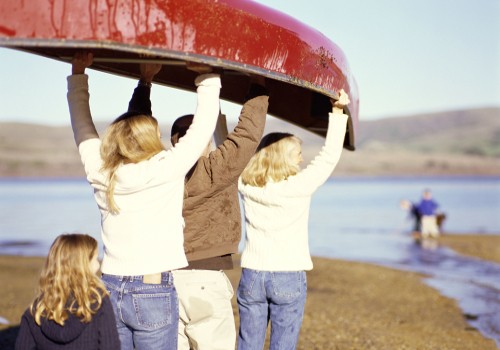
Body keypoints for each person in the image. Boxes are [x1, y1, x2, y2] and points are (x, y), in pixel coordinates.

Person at [66, 51, 221, 349]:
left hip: (109, 286)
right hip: (152, 288)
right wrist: (208, 76)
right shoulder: (165, 168)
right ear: (151, 139)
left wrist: (78, 72)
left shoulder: (102, 172)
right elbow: (203, 128)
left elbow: (82, 128)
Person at [127, 69, 269, 349]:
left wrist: (145, 83)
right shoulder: (215, 169)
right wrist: (258, 84)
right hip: (205, 280)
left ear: (173, 142)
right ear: (203, 138)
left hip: (160, 279)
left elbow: (134, 133)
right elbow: (248, 134)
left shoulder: (153, 171)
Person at [236, 90, 350, 349]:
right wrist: (337, 111)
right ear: (284, 157)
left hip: (253, 275)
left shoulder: (245, 183)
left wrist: (221, 119)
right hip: (287, 275)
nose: (301, 158)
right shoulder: (298, 187)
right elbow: (329, 156)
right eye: (297, 152)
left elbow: (229, 152)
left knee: (247, 343)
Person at [15, 234, 120, 349]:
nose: (98, 265)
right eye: (95, 259)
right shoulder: (98, 302)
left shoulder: (36, 311)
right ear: (83, 266)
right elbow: (110, 346)